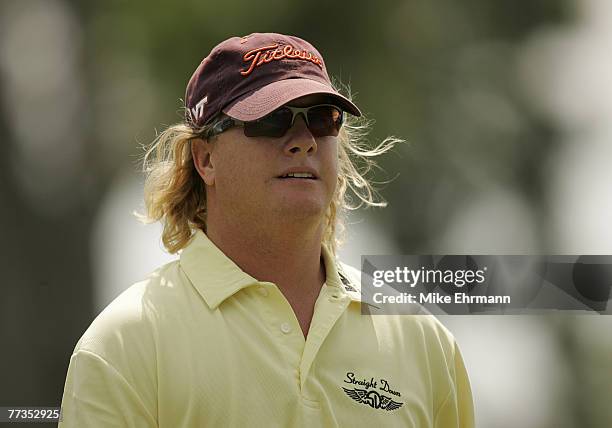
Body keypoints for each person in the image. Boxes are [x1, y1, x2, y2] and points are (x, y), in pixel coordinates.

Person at [59, 32, 474, 427]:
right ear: (205, 160)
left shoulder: (422, 340)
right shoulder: (124, 345)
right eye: (272, 121)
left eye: (322, 119)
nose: (303, 141)